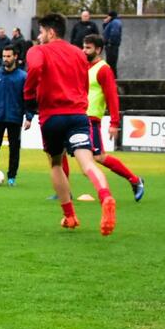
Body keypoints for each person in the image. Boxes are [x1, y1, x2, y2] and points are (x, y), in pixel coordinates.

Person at [24, 13, 117, 235]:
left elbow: (35, 69)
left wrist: (28, 96)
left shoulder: (38, 50)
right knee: (88, 163)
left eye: (41, 32)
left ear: (50, 32)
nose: (39, 36)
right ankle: (105, 195)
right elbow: (84, 83)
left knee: (56, 164)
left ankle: (70, 216)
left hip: (52, 117)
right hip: (78, 115)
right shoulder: (78, 53)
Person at [82, 35, 145, 201]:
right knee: (66, 152)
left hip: (91, 120)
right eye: (84, 47)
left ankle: (135, 180)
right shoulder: (84, 66)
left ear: (98, 50)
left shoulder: (103, 69)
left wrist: (114, 122)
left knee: (98, 157)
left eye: (88, 48)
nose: (84, 50)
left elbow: (112, 97)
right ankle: (63, 191)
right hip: (79, 118)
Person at [0, 46, 33, 186]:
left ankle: (12, 177)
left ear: (15, 57)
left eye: (8, 56)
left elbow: (27, 98)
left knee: (14, 149)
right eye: (4, 56)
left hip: (15, 117)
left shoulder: (23, 77)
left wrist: (29, 117)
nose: (5, 59)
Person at [102, 11, 123, 77]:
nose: (107, 18)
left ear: (110, 16)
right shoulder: (112, 22)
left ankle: (113, 78)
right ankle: (112, 78)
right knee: (110, 63)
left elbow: (115, 33)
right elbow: (106, 30)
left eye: (108, 16)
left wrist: (110, 42)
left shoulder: (115, 22)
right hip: (110, 46)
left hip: (111, 46)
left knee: (111, 63)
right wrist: (105, 23)